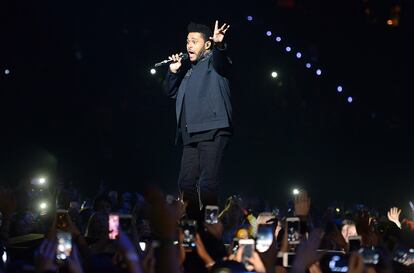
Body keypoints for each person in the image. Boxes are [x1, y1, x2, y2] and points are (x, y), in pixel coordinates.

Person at [163, 20, 232, 221]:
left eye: (194, 41)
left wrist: (219, 44)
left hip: (213, 128)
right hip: (190, 133)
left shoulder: (214, 62)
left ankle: (209, 227)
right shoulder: (190, 72)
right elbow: (171, 93)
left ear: (207, 44)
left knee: (208, 184)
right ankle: (195, 223)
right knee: (185, 183)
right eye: (187, 41)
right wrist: (173, 71)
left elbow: (222, 61)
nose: (189, 46)